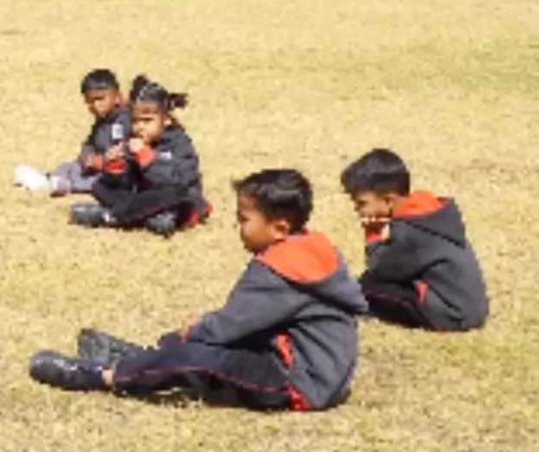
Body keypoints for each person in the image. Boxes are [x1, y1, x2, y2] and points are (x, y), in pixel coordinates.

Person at [29, 167, 365, 411]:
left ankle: (103, 375)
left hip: (300, 380)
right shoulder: (311, 248)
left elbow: (229, 326)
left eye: (244, 219)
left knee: (197, 356)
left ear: (279, 228)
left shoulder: (278, 269)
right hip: (307, 362)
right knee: (189, 344)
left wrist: (197, 330)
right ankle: (145, 357)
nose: (238, 227)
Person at [340, 149, 489, 332]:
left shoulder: (411, 231)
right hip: (469, 308)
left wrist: (373, 234)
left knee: (365, 289)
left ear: (388, 200)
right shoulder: (429, 215)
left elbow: (380, 269)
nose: (358, 210)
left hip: (452, 314)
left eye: (362, 203)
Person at [69, 76, 207, 234]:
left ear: (167, 119)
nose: (140, 127)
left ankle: (111, 216)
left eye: (147, 121)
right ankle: (151, 217)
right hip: (143, 198)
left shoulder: (178, 142)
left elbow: (182, 181)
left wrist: (148, 158)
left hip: (177, 201)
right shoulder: (133, 139)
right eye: (135, 121)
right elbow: (128, 181)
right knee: (101, 185)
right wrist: (116, 168)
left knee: (175, 194)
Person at [15, 68, 128, 194]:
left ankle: (69, 186)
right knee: (69, 167)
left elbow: (127, 151)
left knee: (101, 180)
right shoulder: (100, 122)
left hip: (115, 170)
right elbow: (90, 143)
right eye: (90, 102)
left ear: (118, 98)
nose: (96, 106)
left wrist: (104, 161)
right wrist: (87, 157)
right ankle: (50, 179)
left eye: (100, 99)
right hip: (94, 166)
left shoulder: (125, 121)